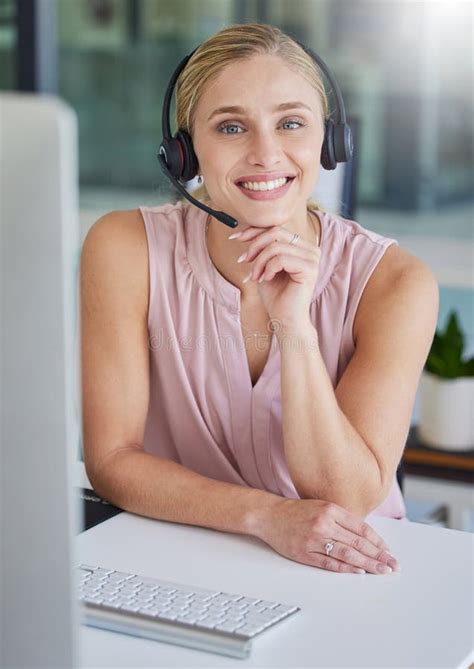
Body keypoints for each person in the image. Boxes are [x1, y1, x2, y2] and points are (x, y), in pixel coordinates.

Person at [80, 23, 438, 576]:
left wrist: (295, 328)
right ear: (184, 152)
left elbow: (346, 498)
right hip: (180, 555)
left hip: (348, 567)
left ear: (328, 141)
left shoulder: (395, 284)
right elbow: (110, 461)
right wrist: (267, 517)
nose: (266, 154)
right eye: (230, 127)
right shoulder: (124, 250)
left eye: (291, 123)